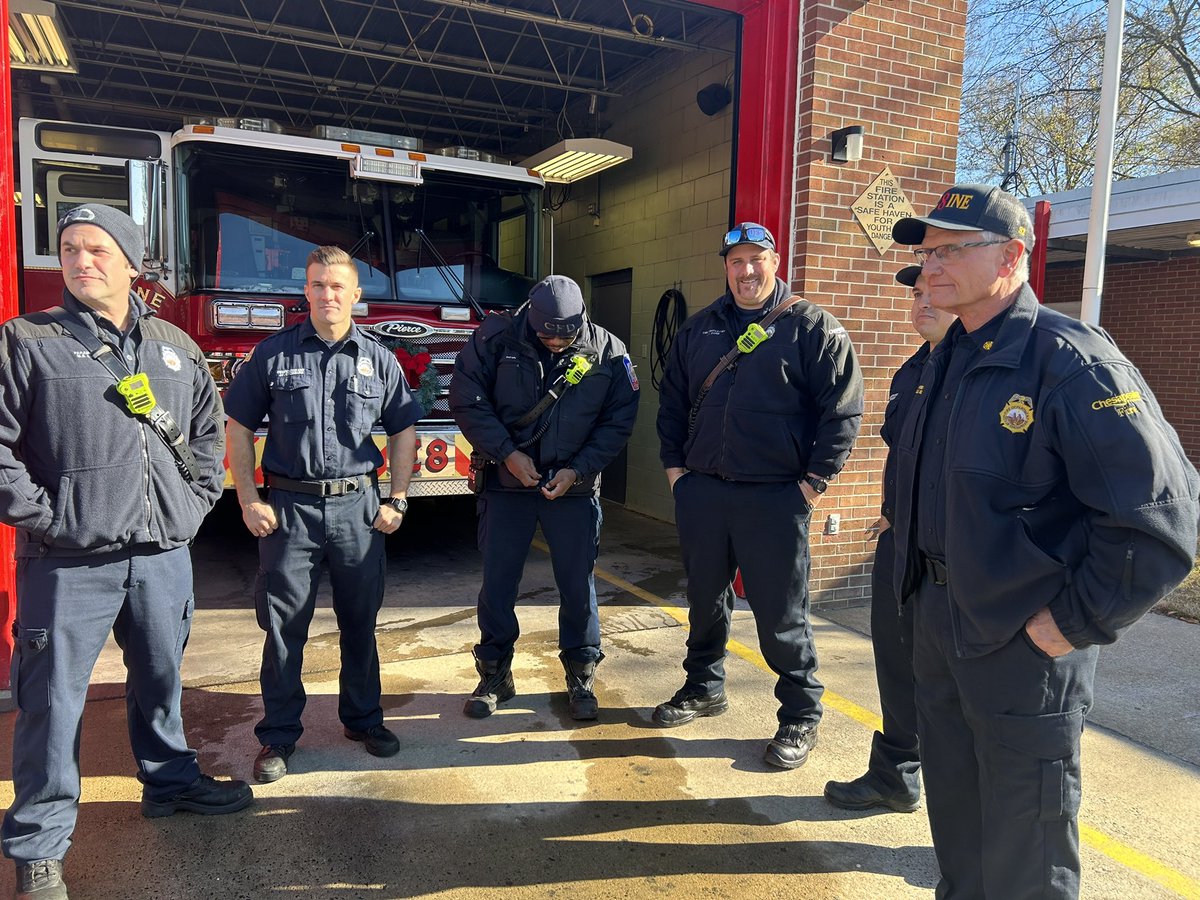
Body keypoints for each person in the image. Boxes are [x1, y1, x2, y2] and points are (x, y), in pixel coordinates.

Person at [889, 184, 1200, 898]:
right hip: (940, 624)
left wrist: (1069, 624)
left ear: (1011, 257)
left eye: (951, 250)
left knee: (1026, 844)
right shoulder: (943, 359)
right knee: (959, 825)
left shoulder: (1069, 361)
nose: (932, 266)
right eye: (927, 252)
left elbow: (1161, 520)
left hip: (1021, 644)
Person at [0, 204, 252, 899]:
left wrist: (194, 503)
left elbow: (208, 433)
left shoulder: (175, 345)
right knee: (51, 703)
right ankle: (39, 846)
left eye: (98, 249)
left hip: (162, 554)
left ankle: (170, 783)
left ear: (133, 263)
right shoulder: (27, 341)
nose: (81, 261)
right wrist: (49, 517)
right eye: (70, 250)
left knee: (161, 680)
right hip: (66, 559)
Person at [654, 223, 863, 769]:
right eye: (736, 261)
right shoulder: (699, 329)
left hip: (775, 498)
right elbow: (672, 403)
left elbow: (842, 412)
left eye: (756, 259)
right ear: (726, 267)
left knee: (780, 613)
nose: (746, 271)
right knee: (704, 600)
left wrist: (812, 483)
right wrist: (676, 472)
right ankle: (704, 687)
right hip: (703, 493)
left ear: (775, 261)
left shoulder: (812, 327)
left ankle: (800, 715)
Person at [224, 245, 423, 783]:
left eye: (337, 286)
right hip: (290, 510)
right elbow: (238, 427)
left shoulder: (380, 359)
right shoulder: (273, 355)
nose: (327, 294)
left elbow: (403, 429)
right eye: (317, 285)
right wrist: (248, 499)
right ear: (306, 292)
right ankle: (279, 736)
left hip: (360, 509)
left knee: (361, 622)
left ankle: (363, 720)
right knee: (284, 627)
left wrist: (398, 498)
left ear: (355, 294)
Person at [450, 275, 639, 720]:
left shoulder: (608, 351)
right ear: (530, 318)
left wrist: (578, 470)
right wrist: (507, 454)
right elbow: (467, 399)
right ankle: (495, 674)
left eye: (565, 336)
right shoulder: (494, 339)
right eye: (546, 334)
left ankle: (581, 674)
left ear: (581, 319)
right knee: (498, 584)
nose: (555, 342)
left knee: (577, 586)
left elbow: (617, 422)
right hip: (506, 484)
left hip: (573, 489)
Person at [823, 266, 954, 813]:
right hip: (901, 550)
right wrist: (893, 514)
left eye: (935, 292)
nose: (922, 302)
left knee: (958, 690)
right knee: (897, 665)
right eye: (917, 294)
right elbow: (910, 454)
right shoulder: (913, 370)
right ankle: (896, 775)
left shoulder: (986, 372)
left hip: (960, 565)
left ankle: (972, 825)